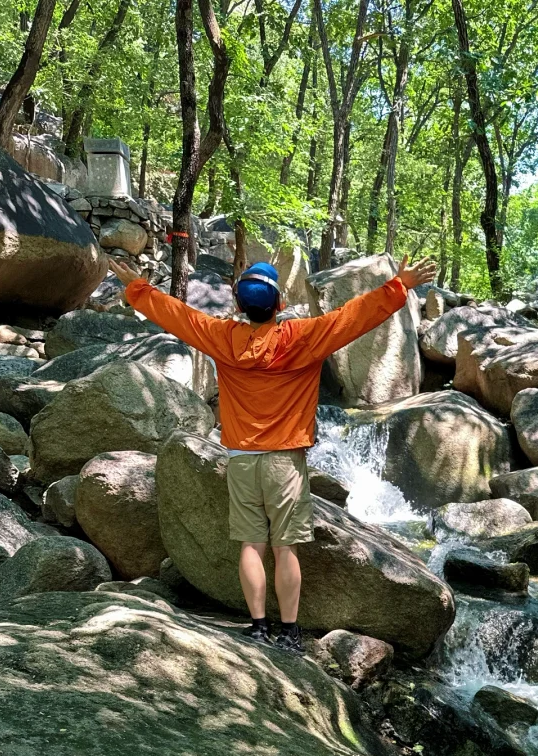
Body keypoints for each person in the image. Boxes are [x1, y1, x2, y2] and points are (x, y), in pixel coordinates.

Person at [108, 252, 437, 652]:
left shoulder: (222, 336)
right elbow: (354, 316)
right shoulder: (303, 337)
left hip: (241, 458)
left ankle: (259, 626)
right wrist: (398, 284)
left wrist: (137, 289)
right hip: (286, 461)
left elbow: (178, 315)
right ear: (280, 305)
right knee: (285, 548)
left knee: (251, 545)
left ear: (238, 305)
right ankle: (290, 631)